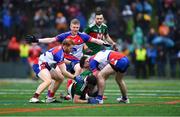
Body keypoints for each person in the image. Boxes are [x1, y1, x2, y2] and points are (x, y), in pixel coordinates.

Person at [26, 18, 111, 98]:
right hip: (63, 60)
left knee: (78, 69)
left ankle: (72, 92)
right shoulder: (65, 35)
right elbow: (51, 40)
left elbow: (95, 40)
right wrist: (37, 40)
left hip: (76, 61)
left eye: (77, 27)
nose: (75, 29)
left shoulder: (82, 36)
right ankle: (49, 96)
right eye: (74, 27)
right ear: (70, 27)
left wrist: (103, 43)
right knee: (58, 75)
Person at [29, 39, 83, 103]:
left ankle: (50, 98)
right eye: (71, 48)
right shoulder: (59, 53)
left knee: (60, 78)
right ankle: (34, 98)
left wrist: (71, 63)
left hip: (46, 65)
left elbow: (62, 60)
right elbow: (64, 72)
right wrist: (75, 77)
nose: (71, 50)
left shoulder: (60, 50)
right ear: (65, 46)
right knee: (48, 81)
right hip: (39, 64)